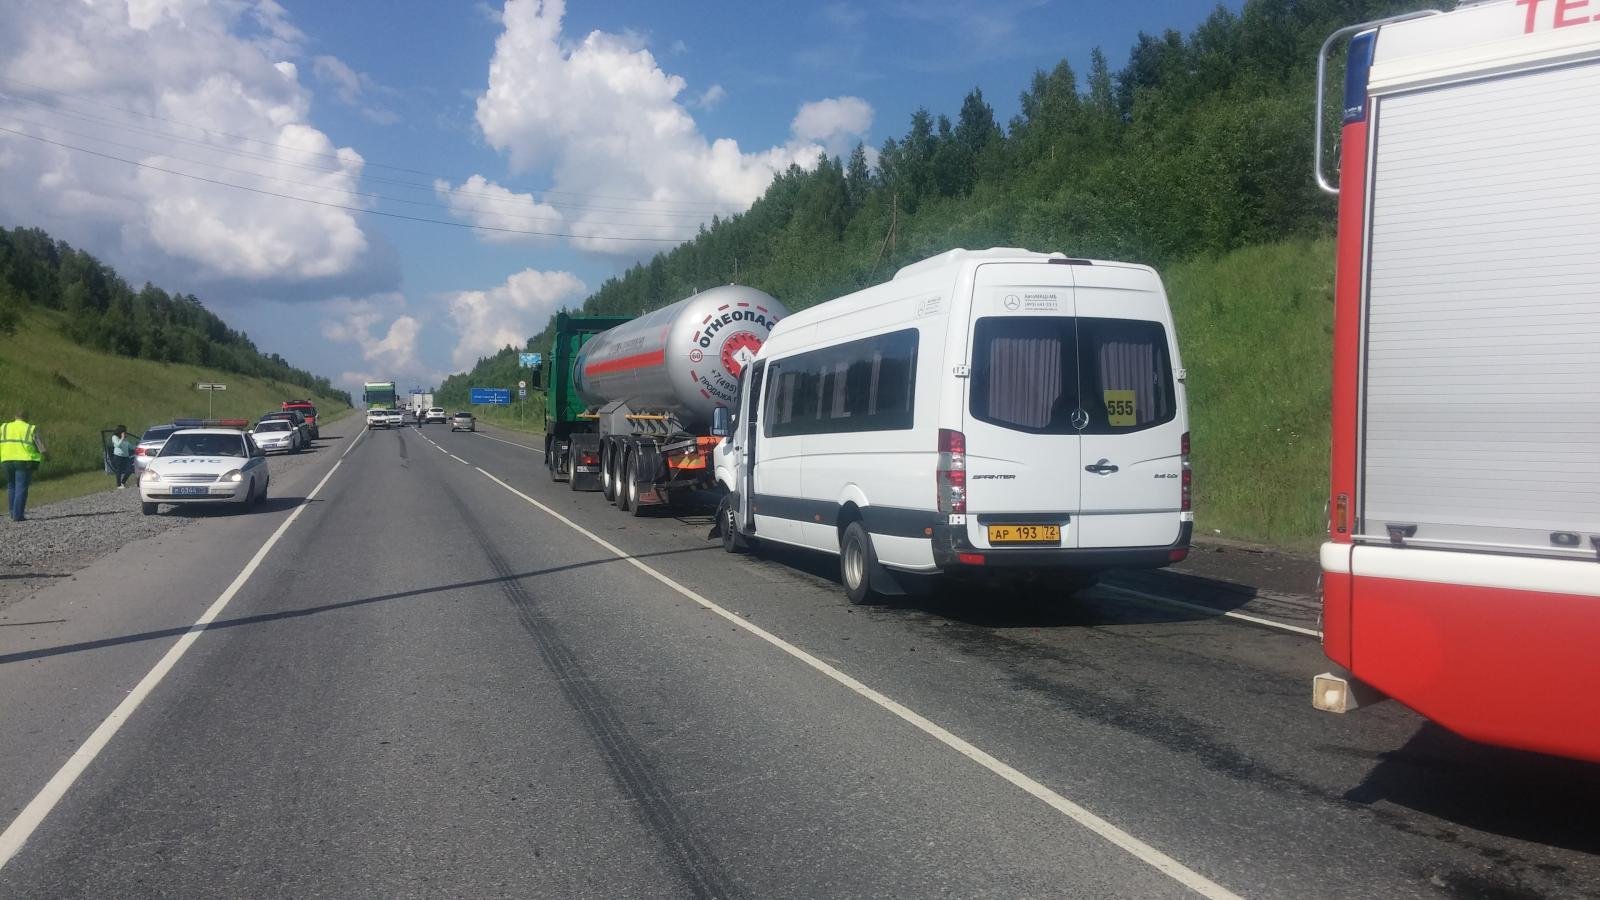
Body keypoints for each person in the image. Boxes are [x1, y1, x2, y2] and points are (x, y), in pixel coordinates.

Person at [1, 409, 46, 522]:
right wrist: (47, 455)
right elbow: (40, 445)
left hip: (6, 460)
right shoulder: (30, 428)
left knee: (11, 486)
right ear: (27, 417)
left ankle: (12, 513)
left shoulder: (4, 427)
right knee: (21, 487)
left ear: (14, 416)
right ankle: (18, 515)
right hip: (24, 461)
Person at [109, 425, 136, 489]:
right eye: (124, 431)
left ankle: (123, 482)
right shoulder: (114, 437)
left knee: (130, 469)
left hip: (126, 456)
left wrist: (137, 447)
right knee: (119, 471)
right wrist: (122, 438)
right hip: (118, 456)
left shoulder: (125, 439)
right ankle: (119, 485)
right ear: (121, 431)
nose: (125, 432)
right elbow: (118, 445)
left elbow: (130, 446)